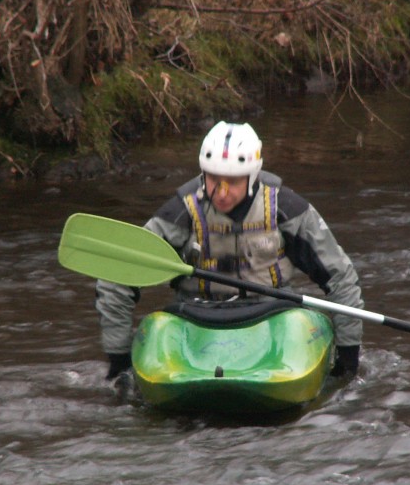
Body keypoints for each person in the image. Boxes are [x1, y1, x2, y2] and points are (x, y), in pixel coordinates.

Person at [96, 120, 363, 381]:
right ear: (203, 173)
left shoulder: (287, 209)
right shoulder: (179, 212)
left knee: (303, 323)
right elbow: (117, 278)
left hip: (273, 315)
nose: (222, 193)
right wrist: (119, 362)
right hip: (194, 318)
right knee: (158, 323)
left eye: (233, 182)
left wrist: (348, 358)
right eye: (214, 180)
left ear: (252, 177)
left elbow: (339, 277)